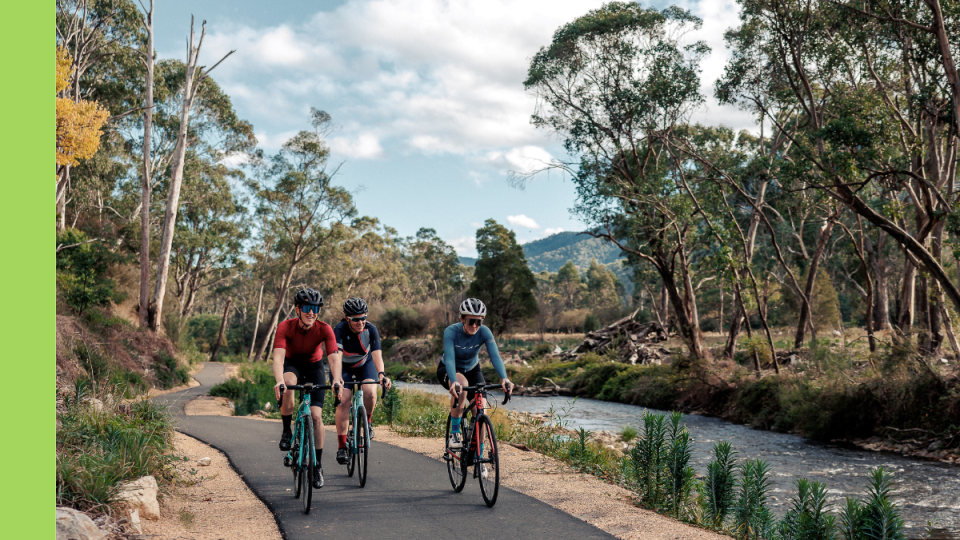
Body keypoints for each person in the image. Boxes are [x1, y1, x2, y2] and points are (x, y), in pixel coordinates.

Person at [272, 288, 342, 490]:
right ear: (298, 309)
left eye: (316, 309)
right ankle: (287, 431)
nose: (312, 313)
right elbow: (278, 357)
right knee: (288, 384)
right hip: (292, 364)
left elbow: (334, 357)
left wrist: (337, 379)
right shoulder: (286, 327)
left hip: (314, 367)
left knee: (317, 417)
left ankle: (317, 465)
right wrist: (279, 381)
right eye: (307, 308)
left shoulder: (324, 328)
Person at [437, 298, 513, 450]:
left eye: (478, 322)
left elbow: (495, 356)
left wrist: (504, 378)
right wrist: (453, 381)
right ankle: (455, 433)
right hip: (450, 369)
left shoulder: (484, 332)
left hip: (473, 369)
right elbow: (450, 359)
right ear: (462, 319)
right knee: (462, 384)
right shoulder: (451, 331)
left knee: (481, 411)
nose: (474, 326)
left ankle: (478, 457)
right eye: (471, 321)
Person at [332, 297, 392, 465]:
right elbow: (337, 357)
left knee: (370, 392)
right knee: (344, 400)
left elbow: (377, 354)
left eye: (363, 318)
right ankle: (342, 447)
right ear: (347, 319)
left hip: (365, 364)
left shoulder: (371, 329)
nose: (360, 322)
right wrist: (337, 379)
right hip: (343, 367)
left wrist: (381, 374)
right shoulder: (340, 329)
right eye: (356, 319)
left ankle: (368, 421)